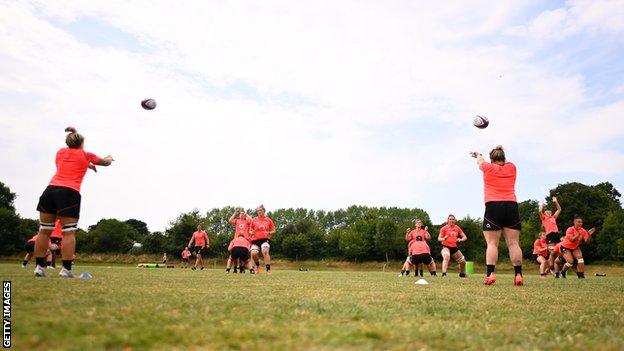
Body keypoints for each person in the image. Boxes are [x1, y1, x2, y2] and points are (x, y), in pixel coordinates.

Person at [33, 127, 113, 278]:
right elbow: (105, 162)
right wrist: (109, 157)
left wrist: (87, 164)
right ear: (82, 143)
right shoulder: (86, 154)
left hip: (50, 191)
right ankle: (66, 270)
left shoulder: (60, 153)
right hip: (69, 193)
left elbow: (69, 159)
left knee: (43, 231)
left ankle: (39, 268)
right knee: (68, 232)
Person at [470, 145, 523, 286]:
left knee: (492, 243)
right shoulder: (512, 167)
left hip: (493, 206)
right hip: (511, 205)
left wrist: (478, 154)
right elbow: (503, 161)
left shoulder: (488, 167)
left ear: (491, 159)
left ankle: (490, 274)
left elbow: (480, 161)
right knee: (513, 243)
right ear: (504, 157)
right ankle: (518, 275)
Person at [249, 205, 276, 274]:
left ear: (264, 211)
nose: (259, 212)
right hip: (255, 240)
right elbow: (250, 230)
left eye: (260, 210)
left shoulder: (268, 220)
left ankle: (268, 269)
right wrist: (251, 232)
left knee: (265, 251)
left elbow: (274, 230)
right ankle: (257, 266)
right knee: (253, 253)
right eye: (258, 211)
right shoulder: (254, 220)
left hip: (265, 239)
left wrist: (269, 232)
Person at [539, 197, 562, 274]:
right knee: (552, 252)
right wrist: (542, 205)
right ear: (545, 214)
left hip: (556, 234)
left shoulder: (553, 217)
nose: (548, 212)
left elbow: (559, 210)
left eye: (550, 212)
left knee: (558, 252)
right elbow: (539, 211)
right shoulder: (544, 218)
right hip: (550, 235)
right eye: (547, 212)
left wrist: (556, 201)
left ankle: (553, 270)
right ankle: (550, 268)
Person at [227, 208, 252, 272]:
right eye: (241, 214)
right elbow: (230, 220)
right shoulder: (237, 221)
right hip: (237, 239)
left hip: (245, 239)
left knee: (243, 255)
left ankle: (242, 267)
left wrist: (247, 215)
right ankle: (236, 267)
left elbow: (252, 221)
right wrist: (234, 213)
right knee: (235, 254)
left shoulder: (247, 221)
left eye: (243, 214)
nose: (241, 215)